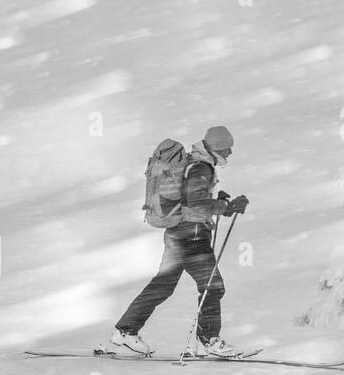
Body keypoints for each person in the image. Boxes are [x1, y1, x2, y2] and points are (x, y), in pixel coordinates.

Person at [106, 126, 248, 357]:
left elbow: (192, 199)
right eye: (228, 148)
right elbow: (195, 203)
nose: (230, 153)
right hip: (192, 237)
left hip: (177, 233)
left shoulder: (195, 164)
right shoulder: (201, 168)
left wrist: (218, 201)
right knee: (213, 286)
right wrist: (226, 207)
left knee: (162, 286)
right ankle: (208, 340)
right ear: (218, 147)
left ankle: (125, 330)